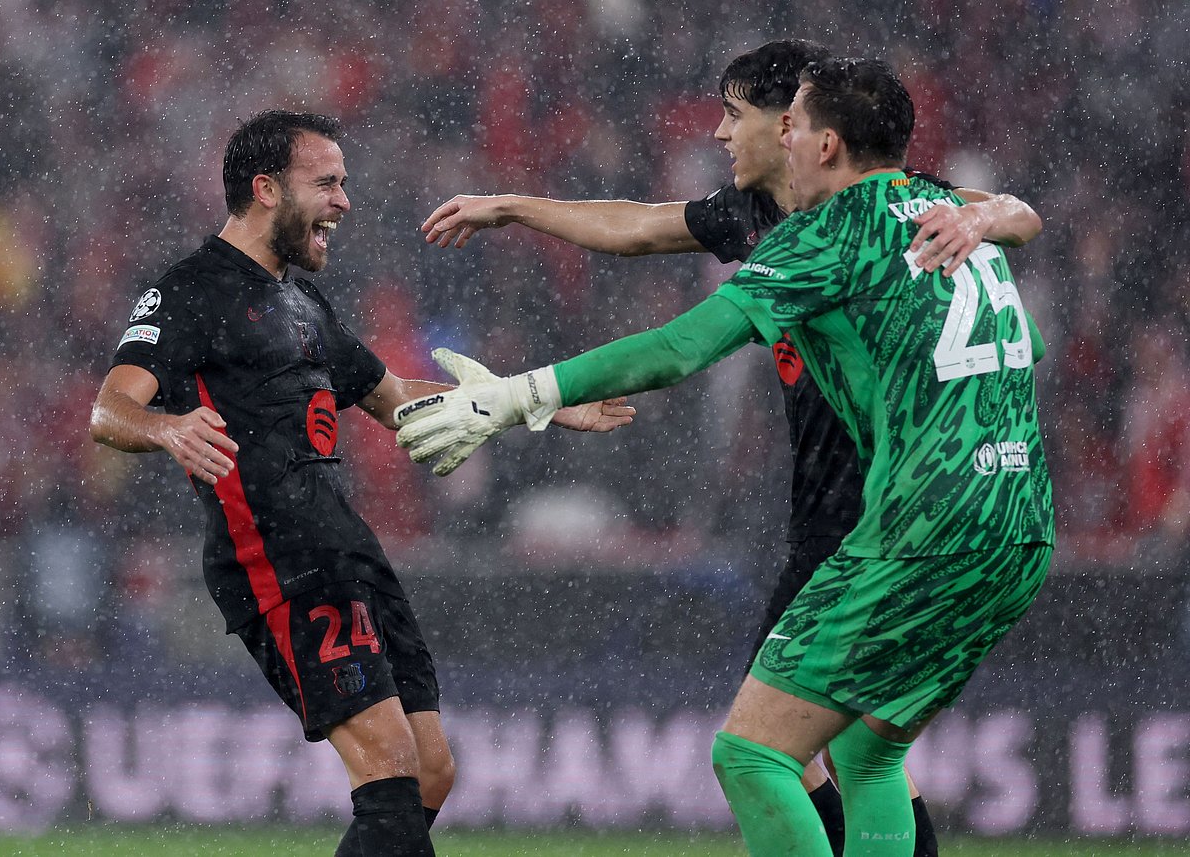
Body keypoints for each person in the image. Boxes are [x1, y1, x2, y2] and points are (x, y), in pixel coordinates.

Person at [395, 58, 1054, 856]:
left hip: (914, 528)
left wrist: (514, 395)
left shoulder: (827, 231)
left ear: (823, 143)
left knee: (750, 752)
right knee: (867, 750)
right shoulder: (945, 212)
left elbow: (679, 348)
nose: (774, 135)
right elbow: (1022, 336)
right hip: (1018, 525)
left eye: (792, 124)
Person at [88, 110, 634, 857]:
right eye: (328, 184)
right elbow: (110, 407)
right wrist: (167, 427)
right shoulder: (193, 289)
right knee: (391, 776)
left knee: (432, 774)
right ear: (266, 189)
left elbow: (392, 397)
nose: (344, 202)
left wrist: (536, 400)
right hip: (275, 556)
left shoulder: (304, 303)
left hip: (345, 546)